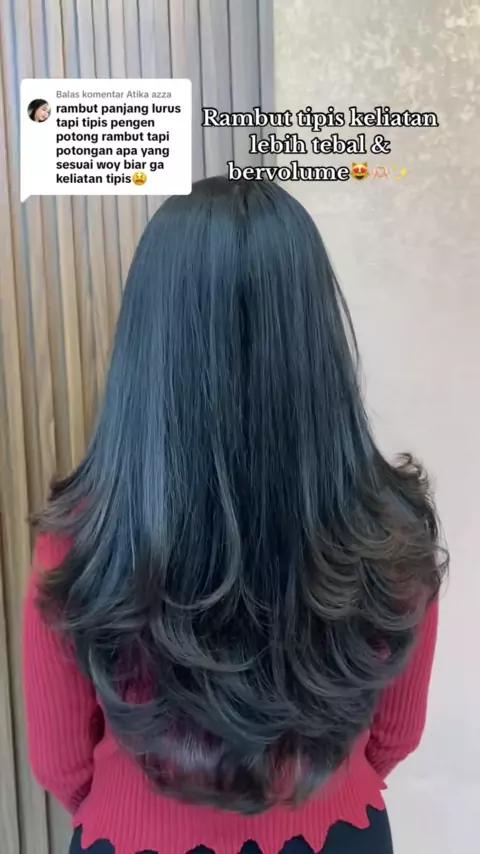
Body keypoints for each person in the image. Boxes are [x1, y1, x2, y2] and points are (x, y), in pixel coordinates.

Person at [23, 177, 447, 854]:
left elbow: (61, 764)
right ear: (315, 336)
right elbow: (395, 735)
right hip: (335, 833)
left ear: (148, 344)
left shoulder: (80, 545)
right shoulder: (389, 532)